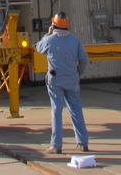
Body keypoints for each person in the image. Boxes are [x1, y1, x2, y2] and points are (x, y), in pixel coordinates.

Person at [36, 11, 90, 155]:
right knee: (76, 110)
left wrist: (47, 34)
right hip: (72, 79)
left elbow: (38, 48)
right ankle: (83, 142)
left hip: (56, 80)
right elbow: (84, 60)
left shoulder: (50, 40)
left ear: (53, 25)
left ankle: (56, 145)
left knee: (56, 111)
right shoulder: (74, 40)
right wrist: (78, 73)